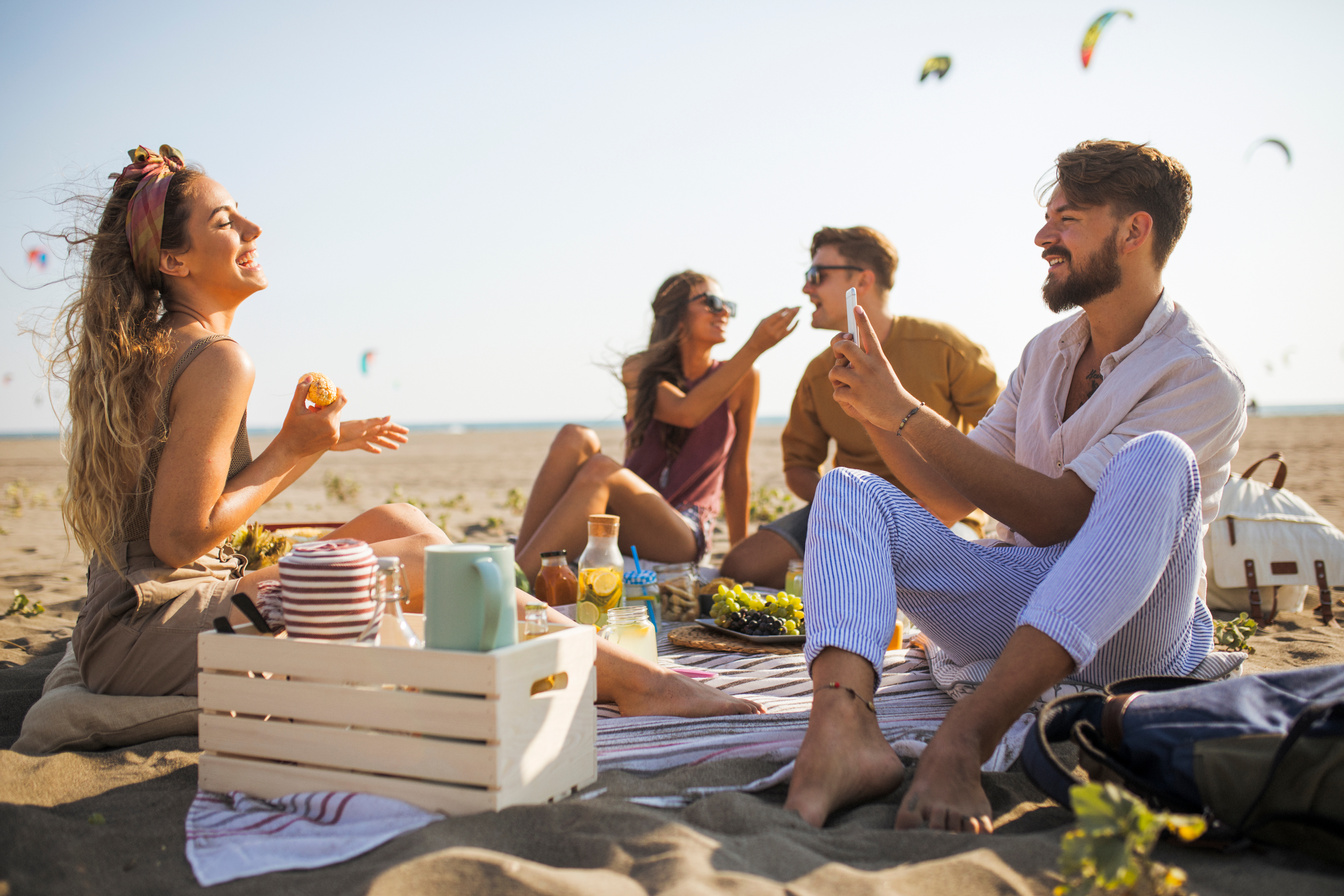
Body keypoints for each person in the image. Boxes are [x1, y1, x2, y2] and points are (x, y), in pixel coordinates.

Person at [49, 145, 761, 719]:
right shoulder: (217, 359)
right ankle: (630, 682)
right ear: (174, 262)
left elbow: (179, 515)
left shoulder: (159, 344)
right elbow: (181, 540)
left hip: (147, 620)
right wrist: (299, 447)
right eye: (227, 222)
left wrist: (310, 446)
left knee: (400, 520)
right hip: (158, 633)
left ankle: (570, 661)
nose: (254, 231)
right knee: (436, 559)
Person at [782, 140, 1248, 832]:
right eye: (1047, 218)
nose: (1043, 236)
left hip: (1132, 629)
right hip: (1021, 599)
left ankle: (966, 737)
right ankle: (842, 731)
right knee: (848, 490)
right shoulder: (1046, 351)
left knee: (1157, 459)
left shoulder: (1198, 375)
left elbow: (1059, 513)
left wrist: (905, 408)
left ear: (1134, 231)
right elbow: (947, 497)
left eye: (1068, 219)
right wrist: (875, 413)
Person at [720, 226, 1000, 589]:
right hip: (853, 508)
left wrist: (937, 500)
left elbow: (1003, 435)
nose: (807, 288)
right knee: (741, 566)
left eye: (817, 275)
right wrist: (843, 506)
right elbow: (799, 465)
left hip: (940, 508)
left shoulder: (943, 346)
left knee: (940, 578)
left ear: (863, 281)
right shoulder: (819, 371)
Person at [514, 271, 799, 581]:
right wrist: (754, 345)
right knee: (575, 437)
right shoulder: (639, 369)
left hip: (682, 530)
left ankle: (513, 585)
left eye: (728, 304)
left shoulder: (744, 378)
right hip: (629, 517)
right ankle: (517, 567)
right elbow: (686, 411)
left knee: (600, 470)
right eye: (712, 302)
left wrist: (740, 557)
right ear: (677, 315)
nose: (724, 312)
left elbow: (737, 469)